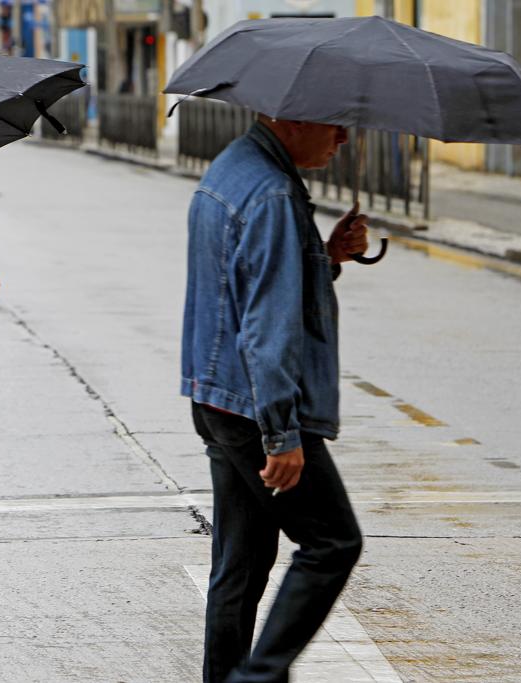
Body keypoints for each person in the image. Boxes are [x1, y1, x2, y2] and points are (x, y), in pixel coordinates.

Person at [181, 115, 369, 683]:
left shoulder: (234, 167)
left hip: (216, 396)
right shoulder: (273, 194)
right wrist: (282, 434)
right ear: (290, 119)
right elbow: (267, 325)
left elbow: (253, 283)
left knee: (240, 565)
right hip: (256, 405)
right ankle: (256, 678)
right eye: (334, 126)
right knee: (332, 542)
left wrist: (327, 255)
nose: (343, 139)